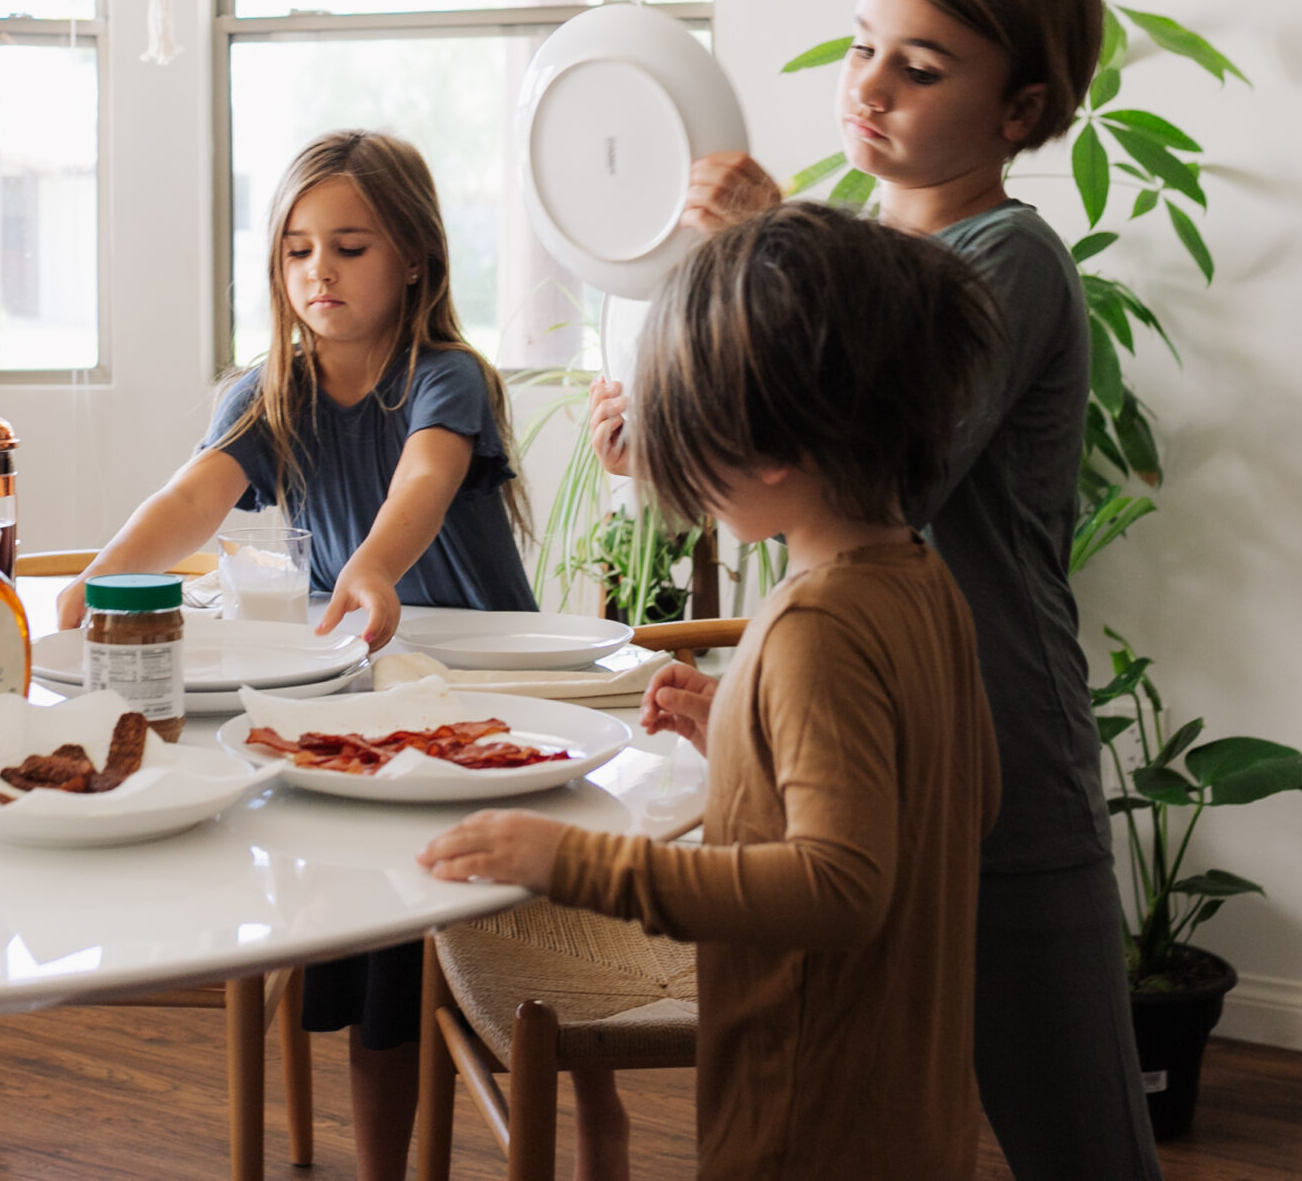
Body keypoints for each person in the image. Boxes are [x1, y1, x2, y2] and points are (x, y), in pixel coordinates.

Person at [587, 0, 1164, 1179]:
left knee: (1080, 1141)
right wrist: (674, 445)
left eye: (921, 65)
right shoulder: (868, 265)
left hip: (998, 761)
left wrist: (762, 246)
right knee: (879, 1111)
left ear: (1019, 111)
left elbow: (881, 470)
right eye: (863, 47)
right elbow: (814, 534)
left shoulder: (1003, 256)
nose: (870, 86)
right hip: (867, 766)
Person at [421, 199, 1003, 1179]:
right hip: (917, 1101)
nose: (670, 452)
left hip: (808, 1118)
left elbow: (838, 885)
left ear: (770, 452)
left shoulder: (815, 628)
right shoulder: (920, 583)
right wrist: (742, 732)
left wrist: (575, 863)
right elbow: (965, 796)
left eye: (682, 419)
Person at [57, 129, 533, 1181]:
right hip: (363, 702)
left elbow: (423, 480)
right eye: (296, 251)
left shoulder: (447, 377)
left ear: (414, 255)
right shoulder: (268, 391)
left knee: (404, 944)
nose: (320, 272)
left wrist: (369, 572)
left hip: (484, 702)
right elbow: (192, 499)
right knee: (373, 946)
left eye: (351, 247)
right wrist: (102, 576)